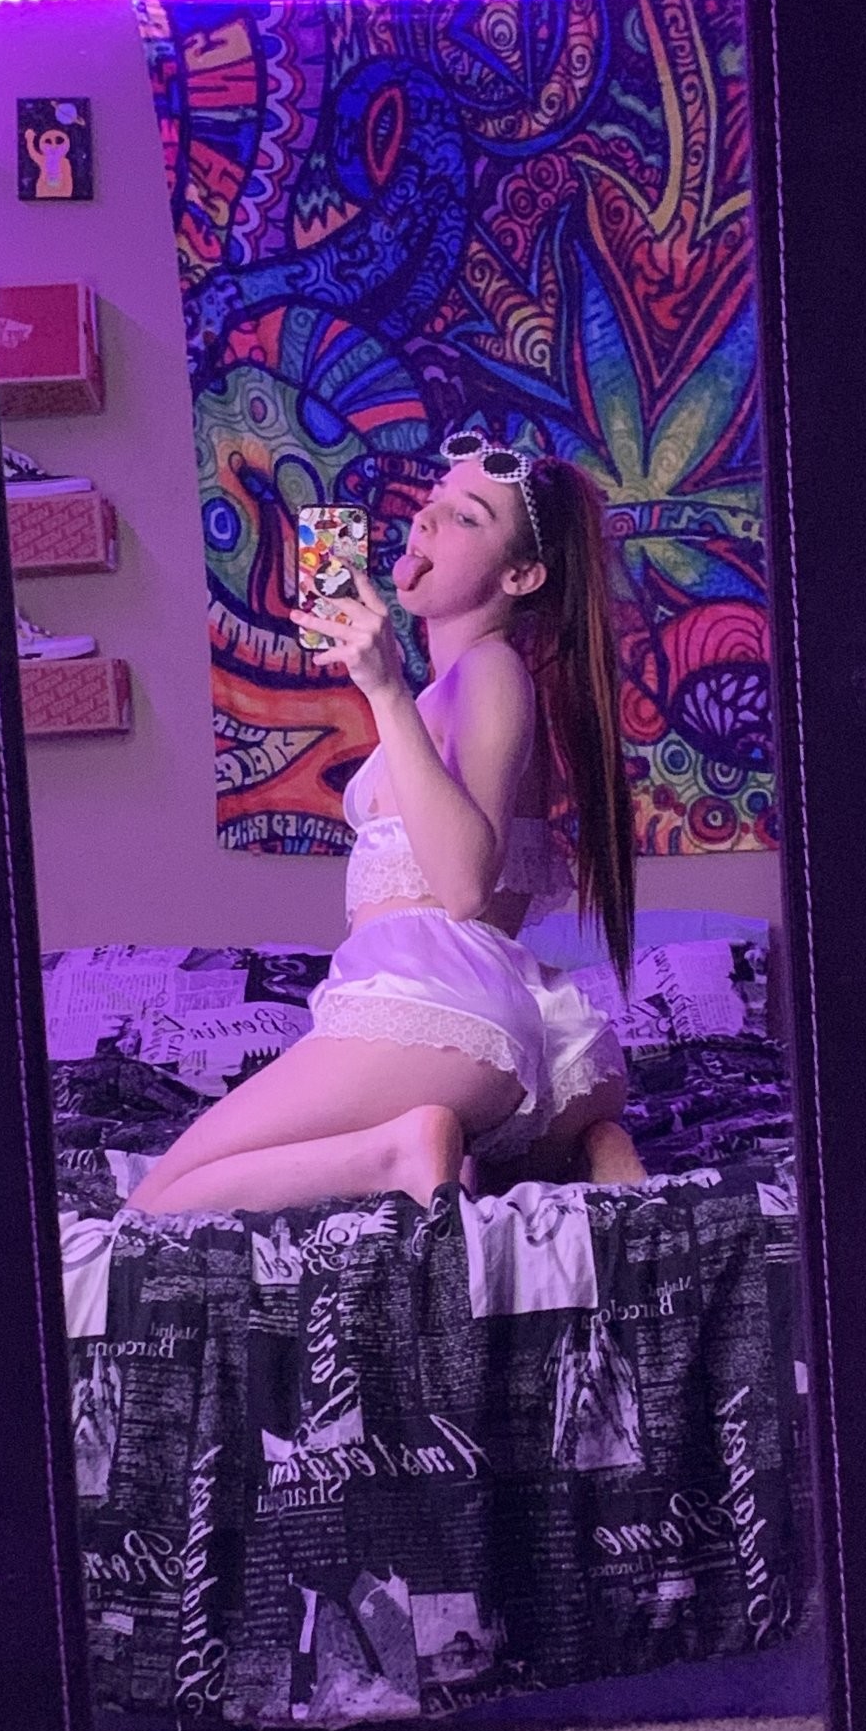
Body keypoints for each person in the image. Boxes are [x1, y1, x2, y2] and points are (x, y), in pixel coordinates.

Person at [131, 432, 645, 1218]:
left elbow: (465, 887)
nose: (426, 520)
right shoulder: (470, 685)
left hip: (433, 1008)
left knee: (158, 1203)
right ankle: (576, 1145)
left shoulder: (492, 671)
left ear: (521, 576)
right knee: (475, 1171)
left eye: (465, 517)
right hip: (509, 1033)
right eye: (432, 503)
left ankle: (395, 1152)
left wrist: (384, 691)